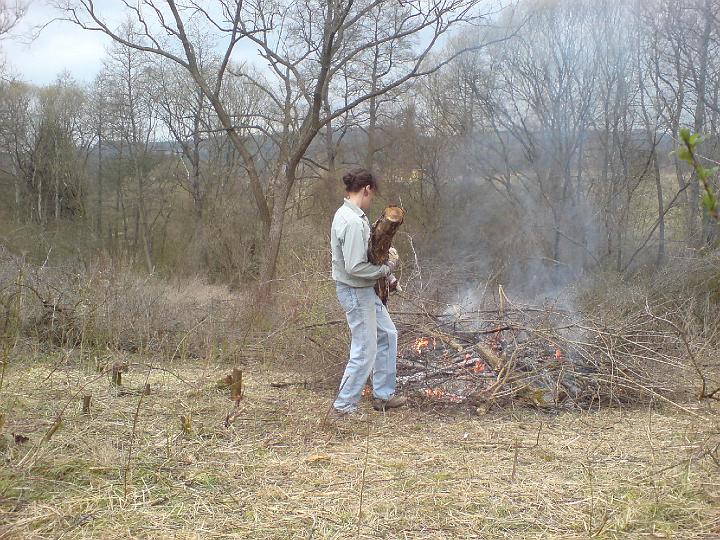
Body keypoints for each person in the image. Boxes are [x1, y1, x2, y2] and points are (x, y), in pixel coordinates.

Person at [330, 168, 407, 417]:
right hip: (355, 291)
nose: (371, 199)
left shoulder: (352, 215)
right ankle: (343, 407)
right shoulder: (351, 221)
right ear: (366, 189)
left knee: (388, 334)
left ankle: (383, 396)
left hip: (363, 291)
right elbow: (354, 266)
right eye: (372, 195)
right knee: (365, 349)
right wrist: (385, 269)